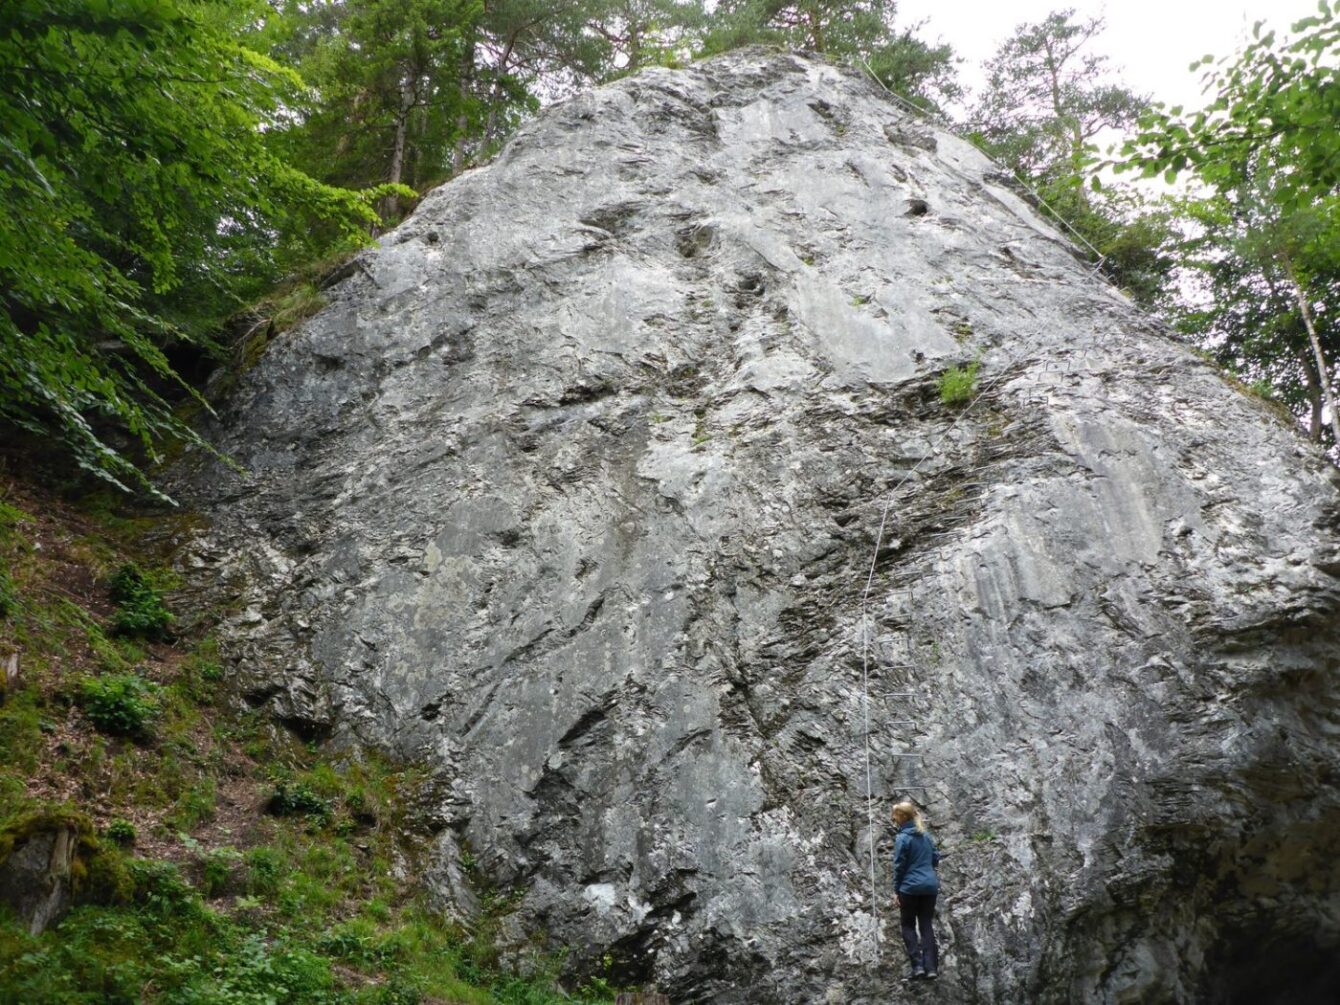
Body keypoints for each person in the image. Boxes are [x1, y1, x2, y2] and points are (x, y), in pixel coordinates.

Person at [892, 800, 941, 981]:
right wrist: (928, 870)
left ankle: (918, 966)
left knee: (907, 925)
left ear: (903, 817)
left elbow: (899, 866)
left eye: (895, 815)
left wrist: (896, 891)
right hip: (930, 887)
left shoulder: (902, 838)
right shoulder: (925, 835)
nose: (893, 818)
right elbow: (936, 856)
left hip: (910, 888)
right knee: (926, 925)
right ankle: (931, 968)